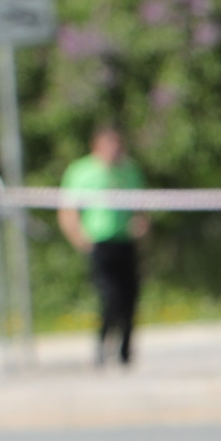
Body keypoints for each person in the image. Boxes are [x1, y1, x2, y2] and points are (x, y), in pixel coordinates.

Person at [59, 126, 148, 367]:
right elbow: (67, 211)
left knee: (131, 298)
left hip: (125, 243)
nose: (114, 151)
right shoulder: (81, 171)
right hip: (100, 244)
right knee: (110, 299)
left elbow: (141, 207)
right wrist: (80, 239)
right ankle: (102, 344)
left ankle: (125, 352)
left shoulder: (130, 170)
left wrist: (141, 228)